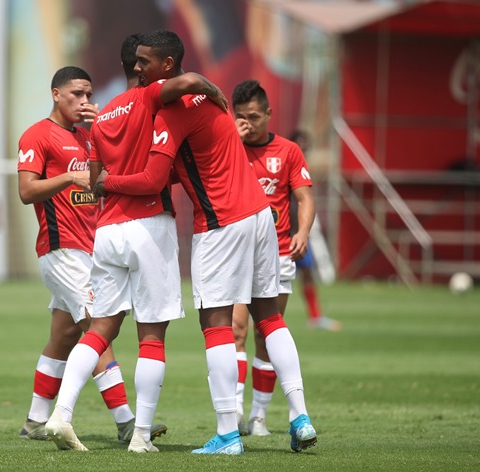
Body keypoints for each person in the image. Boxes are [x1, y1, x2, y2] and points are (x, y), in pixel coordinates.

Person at [96, 30, 317, 454]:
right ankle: (300, 416)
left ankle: (228, 434)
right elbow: (191, 163)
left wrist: (108, 183)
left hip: (222, 223)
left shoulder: (172, 113)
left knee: (215, 325)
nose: (137, 68)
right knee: (269, 318)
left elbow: (154, 180)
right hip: (260, 217)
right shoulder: (208, 101)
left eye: (144, 62)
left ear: (167, 65)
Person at [44, 33, 228, 453]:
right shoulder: (147, 99)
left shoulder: (103, 114)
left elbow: (95, 179)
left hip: (106, 231)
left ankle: (61, 414)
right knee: (152, 336)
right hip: (148, 224)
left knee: (99, 330)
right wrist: (210, 87)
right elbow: (187, 83)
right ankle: (141, 436)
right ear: (142, 67)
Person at [16, 66, 165, 447]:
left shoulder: (88, 136)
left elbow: (113, 173)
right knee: (98, 329)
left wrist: (106, 126)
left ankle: (35, 420)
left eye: (88, 94)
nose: (84, 101)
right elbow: (26, 191)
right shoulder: (37, 135)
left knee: (64, 334)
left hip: (90, 249)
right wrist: (68, 178)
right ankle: (126, 421)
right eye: (76, 95)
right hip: (62, 248)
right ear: (55, 94)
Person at [229, 81, 316, 437]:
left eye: (253, 116)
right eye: (240, 117)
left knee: (267, 334)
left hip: (277, 253)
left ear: (268, 113)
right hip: (234, 255)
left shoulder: (289, 151)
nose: (247, 123)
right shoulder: (227, 147)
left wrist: (303, 232)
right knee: (236, 329)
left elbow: (304, 198)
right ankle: (233, 408)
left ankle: (260, 417)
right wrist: (231, 139)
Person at [289, 130, 341, 332]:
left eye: (305, 146)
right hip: (278, 232)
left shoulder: (302, 169)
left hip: (297, 232)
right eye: (299, 145)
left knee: (307, 272)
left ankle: (315, 316)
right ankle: (252, 316)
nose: (303, 149)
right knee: (263, 277)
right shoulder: (280, 164)